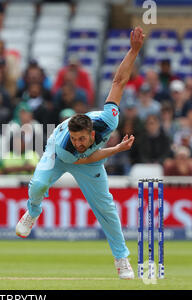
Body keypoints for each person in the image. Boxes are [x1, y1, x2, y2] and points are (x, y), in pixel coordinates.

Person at [15, 26, 146, 280]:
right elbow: (86, 156)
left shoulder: (108, 120)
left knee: (106, 209)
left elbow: (118, 82)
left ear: (92, 134)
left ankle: (121, 259)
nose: (78, 142)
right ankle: (33, 211)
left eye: (82, 138)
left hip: (91, 160)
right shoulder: (67, 146)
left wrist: (133, 51)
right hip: (58, 150)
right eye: (75, 139)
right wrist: (115, 149)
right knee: (39, 184)